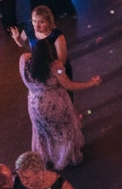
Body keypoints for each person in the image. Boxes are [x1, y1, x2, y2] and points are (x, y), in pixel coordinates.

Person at [20, 39, 99, 169]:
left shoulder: (23, 60)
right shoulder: (56, 67)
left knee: (44, 131)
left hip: (34, 103)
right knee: (63, 131)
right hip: (55, 104)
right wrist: (91, 83)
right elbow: (69, 85)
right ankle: (64, 157)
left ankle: (48, 156)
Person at [10, 3, 73, 79]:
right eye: (34, 21)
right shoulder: (29, 29)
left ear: (49, 22)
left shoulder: (56, 35)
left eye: (41, 22)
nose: (36, 26)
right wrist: (18, 40)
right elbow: (23, 44)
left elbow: (62, 61)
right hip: (41, 70)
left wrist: (57, 74)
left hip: (58, 71)